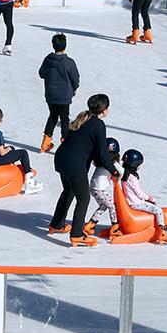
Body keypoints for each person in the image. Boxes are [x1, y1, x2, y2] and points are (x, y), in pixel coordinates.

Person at [48, 94, 118, 246]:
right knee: (83, 198)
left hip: (61, 159)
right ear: (104, 109)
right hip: (74, 165)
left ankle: (56, 225)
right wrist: (114, 172)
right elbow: (103, 153)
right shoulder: (98, 125)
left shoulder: (82, 118)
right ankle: (77, 234)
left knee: (68, 192)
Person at [120, 149, 167, 244]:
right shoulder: (132, 178)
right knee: (158, 210)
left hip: (130, 202)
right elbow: (139, 193)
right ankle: (162, 233)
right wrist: (150, 198)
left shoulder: (124, 176)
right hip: (136, 203)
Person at [0, 108, 42, 194]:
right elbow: (2, 153)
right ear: (0, 119)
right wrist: (9, 148)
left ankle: (13, 171)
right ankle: (29, 182)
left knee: (12, 148)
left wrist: (10, 148)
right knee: (23, 153)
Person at [38, 33, 81, 153]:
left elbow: (41, 73)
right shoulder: (68, 62)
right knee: (64, 118)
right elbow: (75, 78)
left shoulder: (48, 59)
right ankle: (65, 142)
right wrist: (74, 89)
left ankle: (45, 142)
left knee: (52, 116)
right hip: (64, 96)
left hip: (51, 95)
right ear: (65, 46)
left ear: (53, 45)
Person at [82, 138, 122, 240]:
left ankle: (90, 224)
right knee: (112, 206)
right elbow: (122, 173)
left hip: (93, 187)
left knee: (103, 206)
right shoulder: (112, 163)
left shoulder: (101, 161)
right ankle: (115, 227)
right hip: (100, 189)